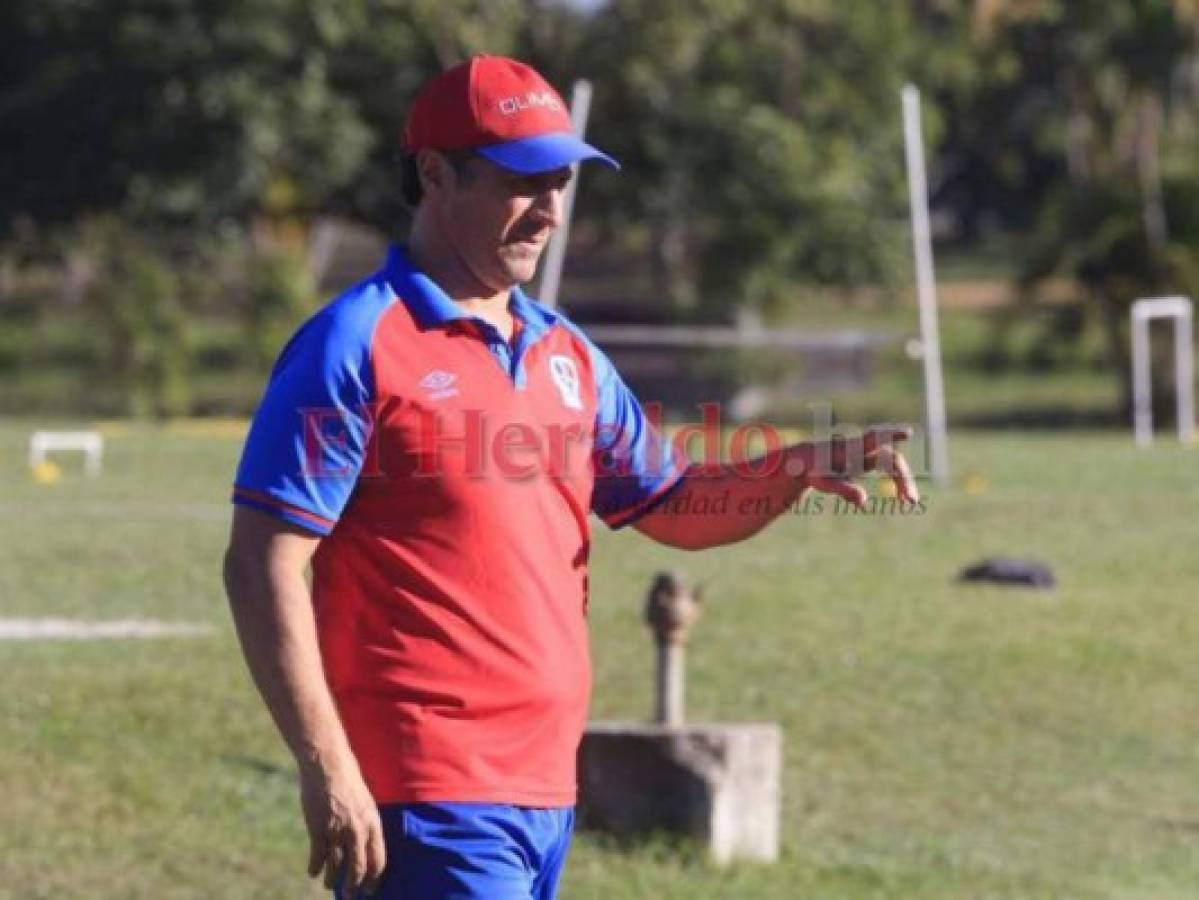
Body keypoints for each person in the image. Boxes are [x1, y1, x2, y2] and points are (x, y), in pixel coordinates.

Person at [222, 54, 918, 900]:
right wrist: (328, 765)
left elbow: (675, 504)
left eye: (560, 181)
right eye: (523, 181)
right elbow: (265, 560)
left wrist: (793, 467)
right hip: (427, 790)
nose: (551, 208)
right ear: (437, 175)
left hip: (546, 789)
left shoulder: (566, 354)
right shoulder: (355, 344)